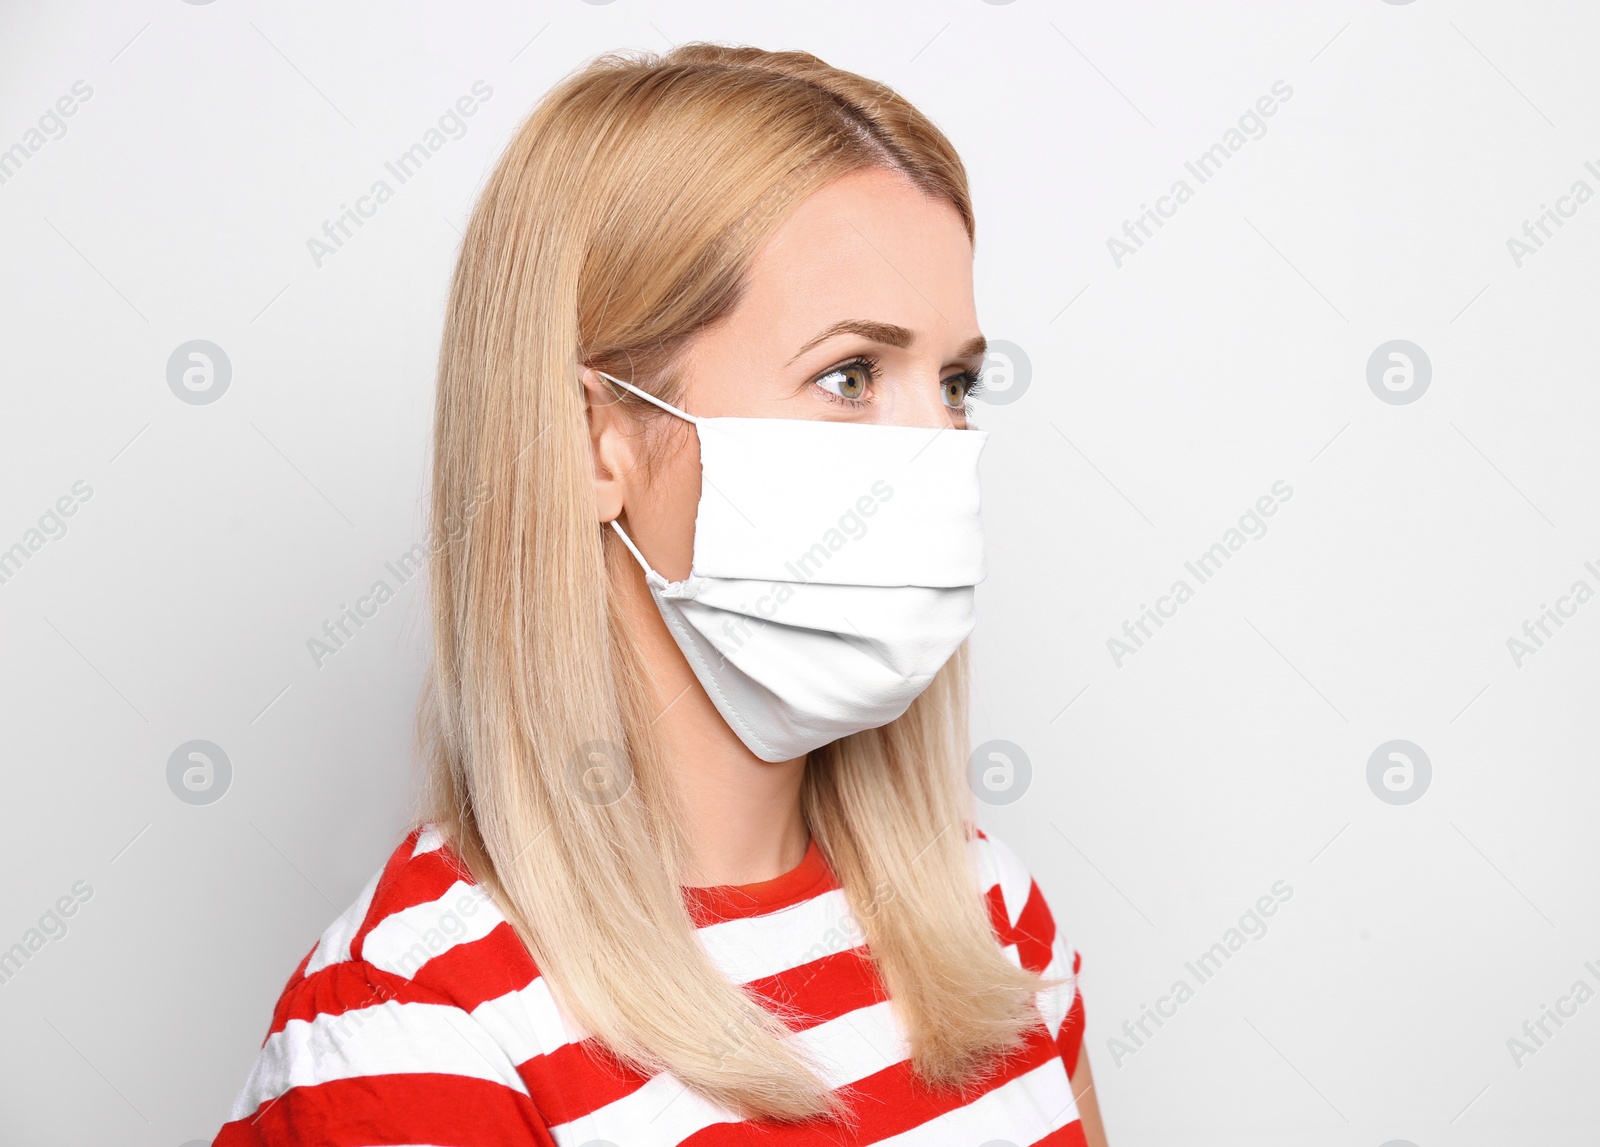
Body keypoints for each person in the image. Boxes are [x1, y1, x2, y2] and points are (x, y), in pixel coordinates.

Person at [215, 43, 1107, 1147]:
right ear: (598, 438)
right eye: (850, 375)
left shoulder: (986, 912)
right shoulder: (413, 1031)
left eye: (957, 384)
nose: (938, 449)